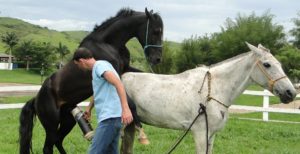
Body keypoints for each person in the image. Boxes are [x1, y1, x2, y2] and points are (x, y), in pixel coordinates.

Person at [73, 47, 133, 154]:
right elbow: (98, 91)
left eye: (77, 65)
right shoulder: (100, 67)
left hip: (109, 119)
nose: (79, 68)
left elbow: (118, 83)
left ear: (81, 61)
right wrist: (89, 108)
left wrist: (126, 109)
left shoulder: (100, 66)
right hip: (113, 119)